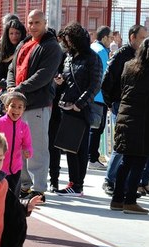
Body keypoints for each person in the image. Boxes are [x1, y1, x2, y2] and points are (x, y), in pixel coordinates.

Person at [110, 36, 149, 215]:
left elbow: (122, 86)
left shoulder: (128, 66)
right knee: (139, 161)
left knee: (126, 161)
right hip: (143, 122)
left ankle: (117, 199)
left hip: (125, 117)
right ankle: (130, 200)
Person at [7, 10, 63, 202]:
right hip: (18, 104)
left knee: (36, 149)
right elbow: (11, 69)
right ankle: (24, 185)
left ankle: (38, 188)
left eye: (37, 22)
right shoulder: (24, 43)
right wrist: (10, 87)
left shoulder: (52, 46)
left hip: (37, 104)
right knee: (18, 147)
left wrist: (17, 89)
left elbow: (44, 75)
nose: (33, 26)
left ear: (45, 23)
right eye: (30, 22)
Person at [54, 22, 102, 196]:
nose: (68, 44)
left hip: (79, 109)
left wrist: (79, 104)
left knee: (78, 148)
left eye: (70, 40)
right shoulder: (68, 57)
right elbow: (68, 81)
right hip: (66, 106)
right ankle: (75, 183)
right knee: (69, 147)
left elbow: (95, 84)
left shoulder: (92, 57)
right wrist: (60, 82)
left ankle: (77, 184)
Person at [100, 24, 148, 195]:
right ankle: (110, 179)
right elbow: (107, 80)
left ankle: (126, 183)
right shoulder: (122, 55)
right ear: (132, 37)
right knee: (122, 144)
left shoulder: (143, 56)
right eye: (142, 37)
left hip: (136, 106)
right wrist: (111, 102)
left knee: (131, 147)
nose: (144, 41)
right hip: (121, 104)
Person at [0, 91, 32, 195]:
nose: (16, 110)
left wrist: (28, 151)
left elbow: (27, 144)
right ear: (6, 107)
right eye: (13, 106)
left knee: (13, 198)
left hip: (16, 169)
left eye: (20, 107)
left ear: (24, 109)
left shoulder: (24, 127)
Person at [87, 25, 111, 171]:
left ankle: (91, 156)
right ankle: (93, 158)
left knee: (91, 127)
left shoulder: (91, 48)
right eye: (110, 38)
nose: (111, 41)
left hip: (90, 95)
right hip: (99, 95)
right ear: (104, 38)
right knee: (97, 127)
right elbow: (104, 75)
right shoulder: (102, 51)